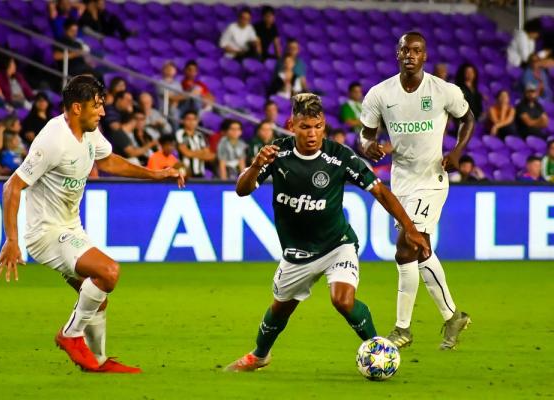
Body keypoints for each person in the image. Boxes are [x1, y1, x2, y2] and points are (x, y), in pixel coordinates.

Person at [0, 75, 184, 374]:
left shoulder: (90, 132)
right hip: (46, 233)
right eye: (97, 106)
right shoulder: (52, 140)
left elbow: (110, 162)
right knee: (109, 272)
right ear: (77, 108)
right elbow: (11, 187)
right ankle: (69, 334)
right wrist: (11, 240)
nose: (103, 112)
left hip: (70, 227)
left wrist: (155, 174)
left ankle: (98, 362)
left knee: (95, 298)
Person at [225, 93, 429, 372]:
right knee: (280, 308)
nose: (312, 134)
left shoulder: (339, 157)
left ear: (324, 126)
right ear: (291, 125)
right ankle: (260, 356)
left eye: (318, 126)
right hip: (297, 253)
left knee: (342, 300)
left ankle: (379, 352)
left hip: (337, 245)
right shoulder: (276, 152)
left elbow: (380, 191)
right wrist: (257, 165)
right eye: (305, 127)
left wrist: (410, 228)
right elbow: (241, 189)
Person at [360, 32, 474, 350]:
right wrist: (368, 146)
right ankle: (452, 316)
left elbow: (468, 119)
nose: (410, 54)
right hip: (402, 183)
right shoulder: (380, 94)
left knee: (405, 247)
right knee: (419, 249)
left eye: (417, 50)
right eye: (405, 50)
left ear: (424, 56)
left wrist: (457, 152)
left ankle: (402, 329)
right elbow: (365, 134)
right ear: (397, 54)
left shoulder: (443, 91)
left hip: (432, 179)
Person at [175, 110, 215, 178]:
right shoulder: (180, 133)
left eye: (194, 119)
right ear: (183, 121)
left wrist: (191, 153)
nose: (191, 122)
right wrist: (201, 153)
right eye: (188, 119)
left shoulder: (200, 135)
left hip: (200, 173)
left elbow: (209, 155)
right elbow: (186, 153)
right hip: (185, 173)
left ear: (197, 121)